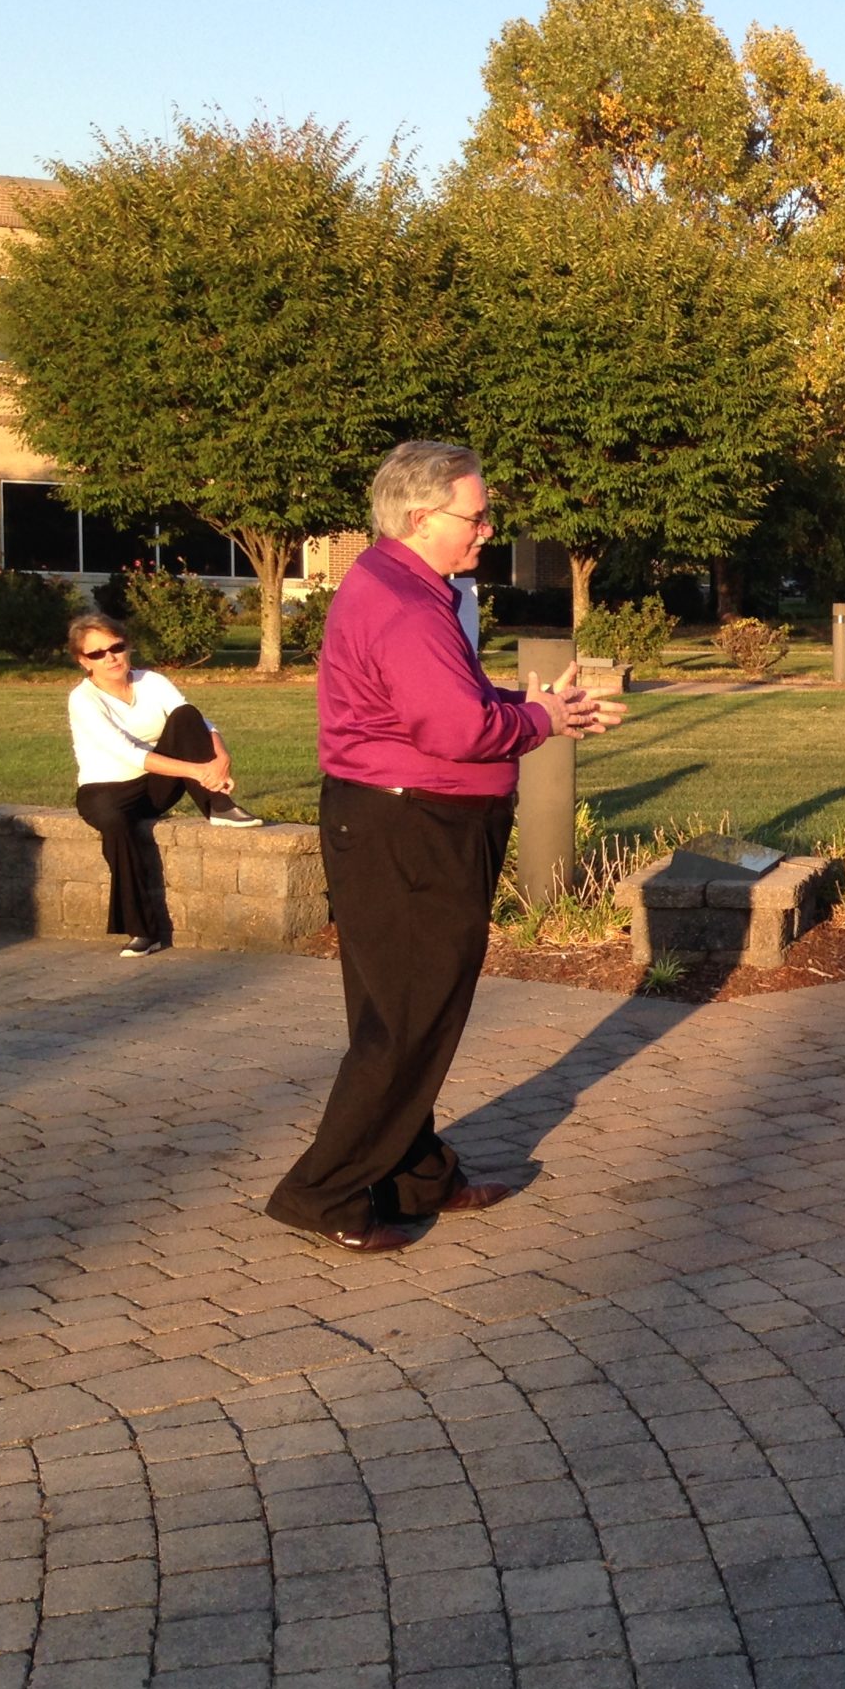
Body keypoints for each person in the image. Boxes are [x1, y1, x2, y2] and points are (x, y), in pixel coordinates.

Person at [266, 441, 624, 1254]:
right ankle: (323, 1192)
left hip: (401, 823)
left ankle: (413, 1173)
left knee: (406, 1010)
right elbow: (456, 728)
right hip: (410, 831)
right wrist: (542, 721)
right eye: (477, 514)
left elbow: (452, 699)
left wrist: (523, 705)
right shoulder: (402, 602)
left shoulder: (405, 586)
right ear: (424, 517)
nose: (488, 528)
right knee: (406, 1020)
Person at [66, 612, 264, 956]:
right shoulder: (83, 700)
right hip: (106, 792)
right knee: (116, 824)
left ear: (128, 647)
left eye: (116, 647)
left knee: (186, 716)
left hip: (153, 786)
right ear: (84, 661)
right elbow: (128, 754)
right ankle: (142, 930)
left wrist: (222, 758)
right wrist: (198, 770)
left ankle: (220, 806)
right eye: (98, 653)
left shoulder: (152, 682)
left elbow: (198, 722)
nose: (110, 657)